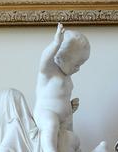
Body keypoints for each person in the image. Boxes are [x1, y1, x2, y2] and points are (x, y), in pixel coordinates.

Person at [34, 23, 90, 152]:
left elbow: (59, 97)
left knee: (71, 138)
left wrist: (69, 107)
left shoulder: (66, 76)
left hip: (64, 119)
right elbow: (44, 58)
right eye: (76, 65)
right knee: (50, 124)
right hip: (45, 113)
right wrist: (56, 43)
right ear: (61, 57)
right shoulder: (48, 71)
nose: (78, 69)